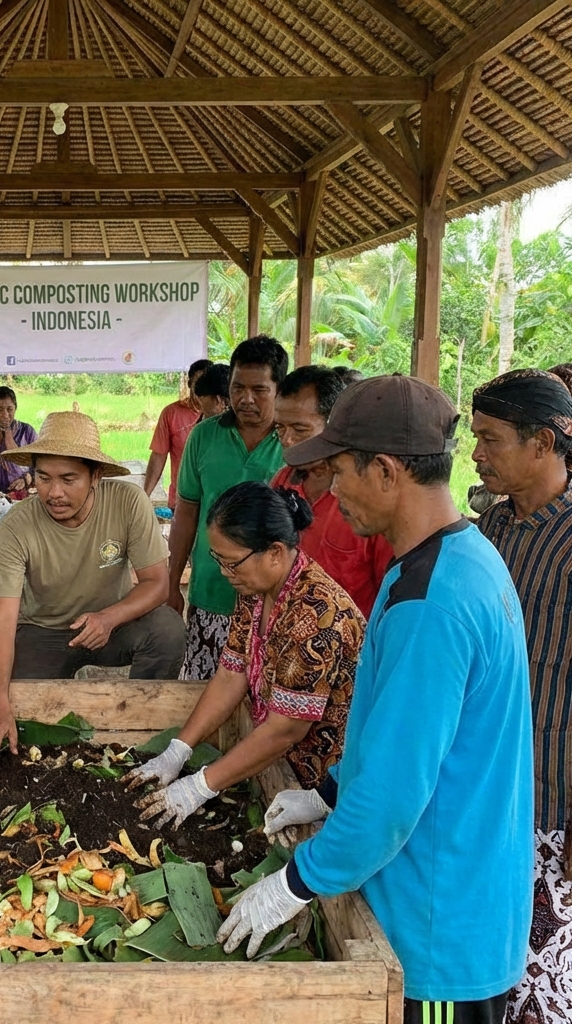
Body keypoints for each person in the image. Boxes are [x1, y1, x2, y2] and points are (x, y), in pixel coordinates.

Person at [221, 375, 533, 1024]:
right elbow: (409, 732)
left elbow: (393, 799)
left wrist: (295, 883)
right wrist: (329, 791)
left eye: (339, 472)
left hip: (438, 932)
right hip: (457, 889)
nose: (330, 491)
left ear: (386, 471)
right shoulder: (458, 558)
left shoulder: (431, 603)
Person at [126, 482, 362, 827]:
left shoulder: (317, 614)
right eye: (217, 559)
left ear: (276, 552)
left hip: (326, 782)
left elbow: (286, 730)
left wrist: (198, 786)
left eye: (232, 562)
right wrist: (178, 750)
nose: (224, 572)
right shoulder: (255, 588)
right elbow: (231, 672)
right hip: (273, 757)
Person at [0, 412, 186, 766]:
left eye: (69, 479)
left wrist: (109, 618)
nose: (54, 493)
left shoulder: (129, 503)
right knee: (12, 698)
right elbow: (1, 621)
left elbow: (158, 585)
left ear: (95, 475)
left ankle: (142, 729)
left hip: (115, 626)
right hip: (45, 631)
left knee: (168, 629)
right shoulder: (15, 527)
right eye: (44, 478)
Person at [469, 369, 572, 1024]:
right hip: (493, 789)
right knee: (492, 964)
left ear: (542, 443)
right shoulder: (495, 528)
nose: (476, 455)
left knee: (542, 981)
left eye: (491, 439)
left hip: (555, 799)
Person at [167, 337, 286, 680]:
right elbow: (186, 512)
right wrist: (173, 582)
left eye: (259, 389)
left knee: (265, 700)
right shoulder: (203, 436)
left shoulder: (293, 442)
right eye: (238, 387)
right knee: (204, 692)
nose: (246, 399)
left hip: (274, 601)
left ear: (279, 388)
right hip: (211, 593)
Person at [270, 365, 392, 618]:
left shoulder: (368, 502)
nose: (287, 439)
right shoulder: (283, 482)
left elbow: (388, 597)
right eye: (280, 428)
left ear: (335, 424)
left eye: (300, 429)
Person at [143, 358, 212, 508]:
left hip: (213, 501)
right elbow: (158, 456)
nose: (202, 391)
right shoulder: (171, 413)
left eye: (207, 386)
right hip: (181, 500)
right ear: (189, 384)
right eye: (197, 384)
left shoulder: (222, 416)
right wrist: (145, 495)